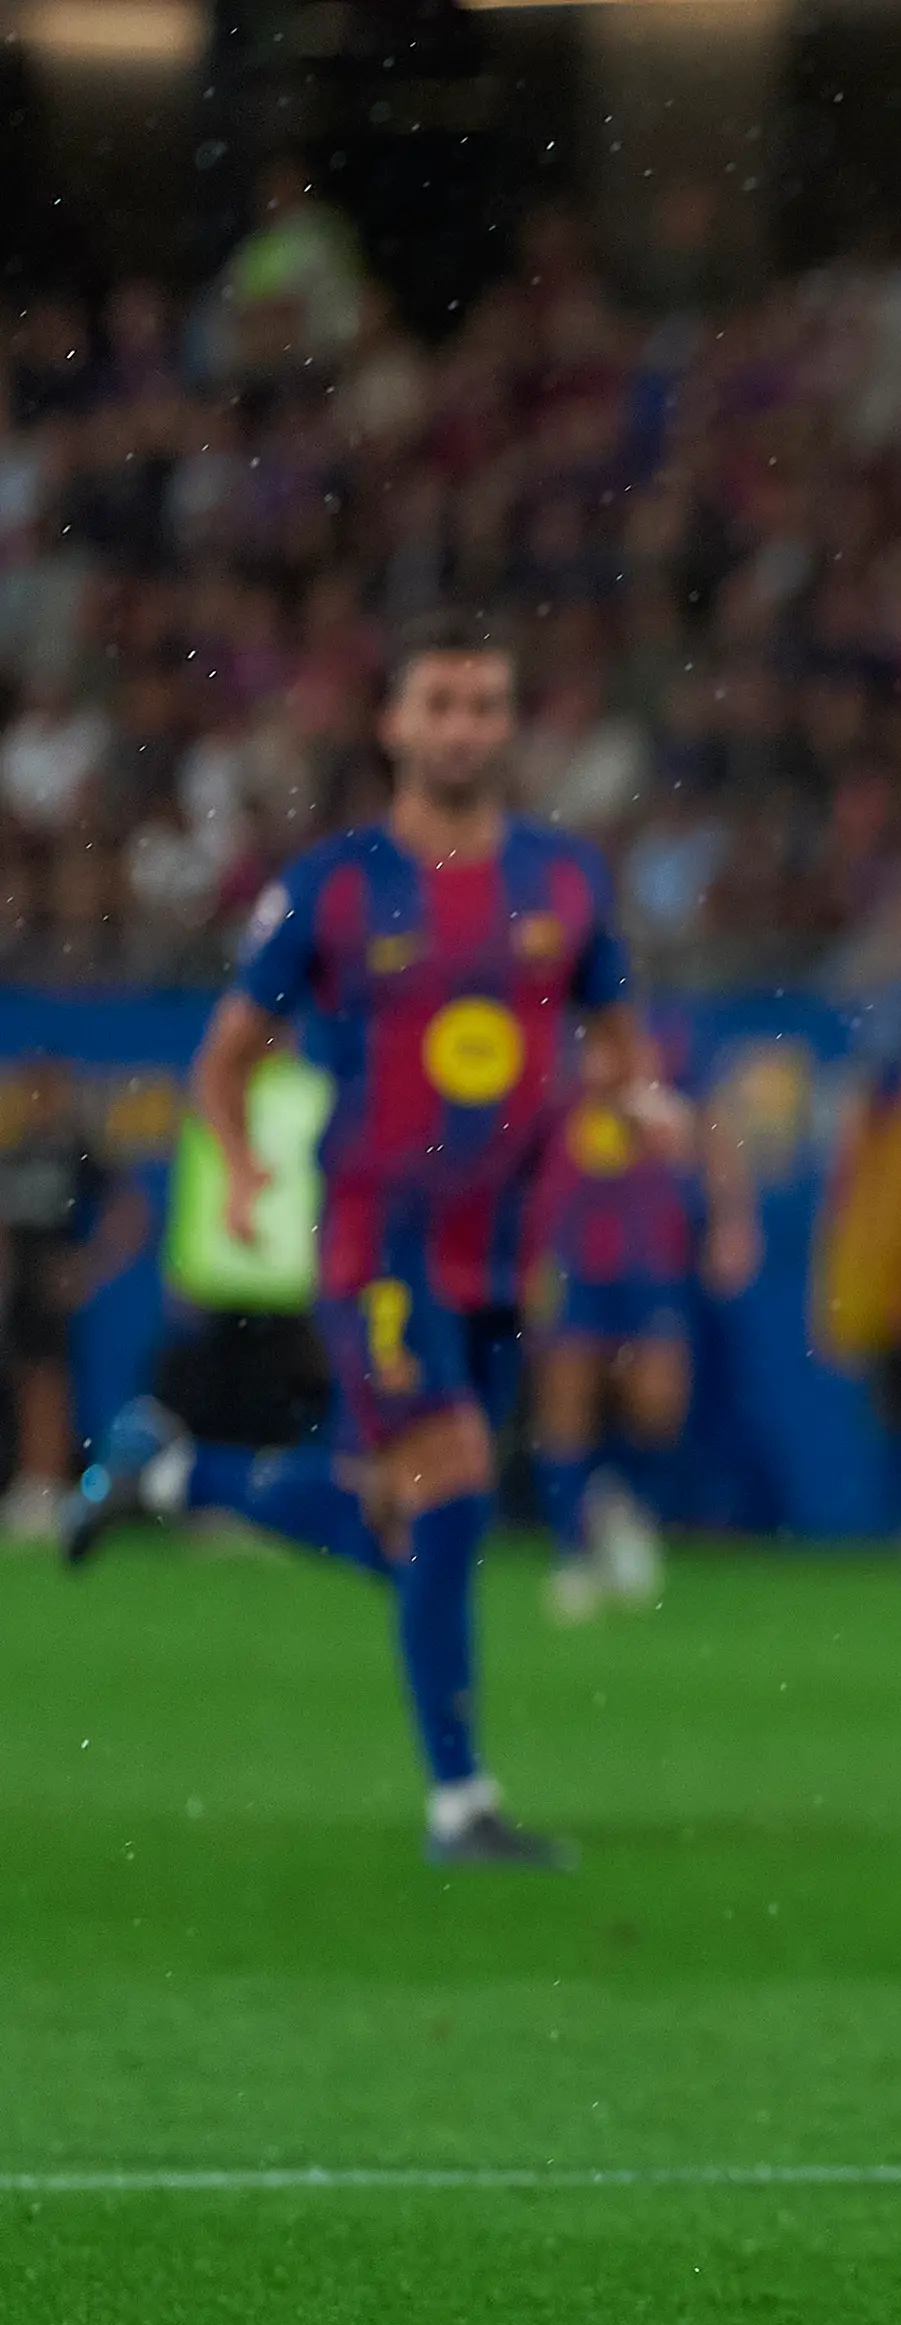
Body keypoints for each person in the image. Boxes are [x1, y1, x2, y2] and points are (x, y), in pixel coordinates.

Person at [63, 618, 670, 1869]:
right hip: (376, 1238)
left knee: (411, 1526)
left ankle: (169, 1475)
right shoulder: (336, 884)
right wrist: (235, 1173)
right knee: (448, 1481)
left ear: (510, 726)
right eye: (440, 704)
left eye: (486, 704)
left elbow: (617, 1035)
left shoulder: (564, 882)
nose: (463, 728)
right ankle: (460, 1806)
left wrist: (631, 1096)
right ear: (393, 725)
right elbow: (224, 1062)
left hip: (502, 1248)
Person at [524, 1039, 759, 1620]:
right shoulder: (546, 1026)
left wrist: (731, 1219)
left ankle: (618, 1504)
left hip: (647, 1245)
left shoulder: (669, 1031)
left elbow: (711, 1128)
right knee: (565, 1396)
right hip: (568, 1245)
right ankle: (571, 1555)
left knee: (659, 1403)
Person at [2, 1059, 147, 1540]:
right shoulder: (15, 1151)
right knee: (23, 1377)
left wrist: (87, 1266)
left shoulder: (75, 1152)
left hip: (50, 1282)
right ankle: (29, 1482)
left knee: (50, 1380)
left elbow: (130, 1211)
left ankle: (49, 1483)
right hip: (19, 1283)